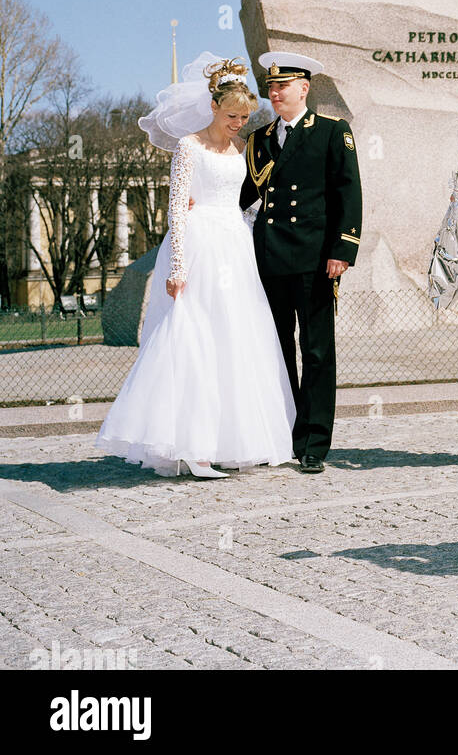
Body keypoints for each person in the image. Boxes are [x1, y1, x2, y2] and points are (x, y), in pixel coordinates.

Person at [96, 56, 295, 478]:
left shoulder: (241, 148)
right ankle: (192, 446)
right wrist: (178, 266)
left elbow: (244, 201)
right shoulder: (189, 147)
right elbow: (177, 210)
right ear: (213, 108)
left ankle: (224, 441)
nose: (238, 123)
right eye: (231, 115)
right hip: (200, 244)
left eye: (244, 116)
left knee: (235, 341)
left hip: (235, 244)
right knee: (193, 340)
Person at [239, 53, 362, 474]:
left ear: (304, 88)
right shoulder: (259, 140)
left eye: (282, 86)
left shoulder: (331, 132)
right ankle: (282, 433)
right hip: (270, 257)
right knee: (275, 350)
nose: (274, 93)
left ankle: (312, 443)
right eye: (270, 88)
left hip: (314, 259)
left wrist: (342, 251)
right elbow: (246, 198)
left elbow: (348, 193)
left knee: (315, 350)